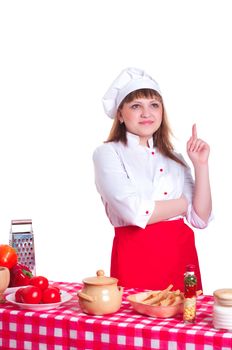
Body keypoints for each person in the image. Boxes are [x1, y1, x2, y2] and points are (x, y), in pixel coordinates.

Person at [93, 67, 212, 292]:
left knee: (185, 323)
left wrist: (201, 165)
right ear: (120, 114)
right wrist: (183, 203)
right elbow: (134, 212)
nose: (146, 113)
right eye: (136, 106)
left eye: (154, 105)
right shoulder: (108, 154)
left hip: (181, 259)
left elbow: (200, 218)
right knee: (135, 323)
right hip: (136, 256)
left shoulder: (175, 158)